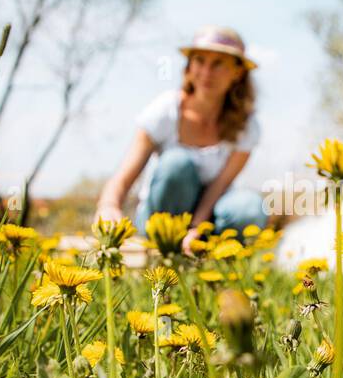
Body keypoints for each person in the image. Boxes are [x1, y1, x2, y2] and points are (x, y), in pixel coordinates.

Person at [94, 25, 268, 255]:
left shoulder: (246, 127)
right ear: (189, 66)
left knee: (251, 208)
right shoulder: (165, 110)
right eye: (199, 60)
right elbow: (123, 176)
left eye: (218, 64)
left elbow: (219, 187)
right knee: (177, 163)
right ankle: (164, 251)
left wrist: (196, 229)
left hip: (210, 219)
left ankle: (207, 259)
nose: (206, 72)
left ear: (238, 73)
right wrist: (108, 206)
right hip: (159, 216)